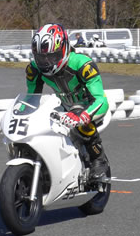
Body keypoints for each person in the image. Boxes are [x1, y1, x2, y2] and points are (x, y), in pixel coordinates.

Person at [26, 23, 110, 181]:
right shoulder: (34, 69)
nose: (46, 61)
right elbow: (32, 97)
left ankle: (99, 161)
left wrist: (83, 116)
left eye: (52, 56)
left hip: (88, 106)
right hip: (63, 106)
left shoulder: (83, 64)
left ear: (64, 49)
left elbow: (101, 100)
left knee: (81, 121)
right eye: (41, 57)